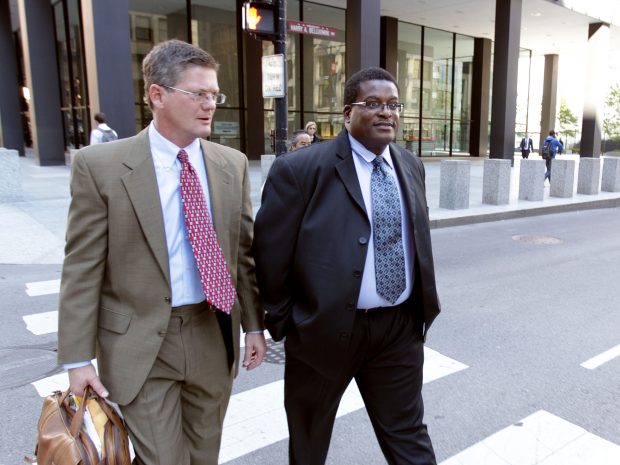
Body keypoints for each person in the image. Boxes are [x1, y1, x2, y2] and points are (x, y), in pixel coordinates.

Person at [58, 39, 267, 465]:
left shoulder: (232, 164)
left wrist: (253, 326)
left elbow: (243, 255)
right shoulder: (100, 167)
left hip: (212, 334)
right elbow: (82, 267)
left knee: (203, 456)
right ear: (158, 95)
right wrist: (78, 360)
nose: (210, 105)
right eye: (198, 94)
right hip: (140, 343)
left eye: (214, 95)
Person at [253, 67, 441, 465]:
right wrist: (292, 322)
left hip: (397, 330)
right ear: (346, 113)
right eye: (372, 104)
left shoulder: (410, 166)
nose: (385, 112)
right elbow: (270, 256)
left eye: (393, 105)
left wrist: (417, 316)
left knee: (409, 436)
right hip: (324, 331)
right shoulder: (300, 169)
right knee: (309, 440)